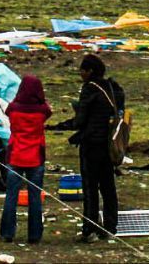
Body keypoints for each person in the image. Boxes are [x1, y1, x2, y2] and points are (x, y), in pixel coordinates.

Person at [54, 53, 125, 242]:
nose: (80, 74)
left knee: (90, 188)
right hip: (109, 146)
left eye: (82, 71)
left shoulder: (90, 89)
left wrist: (63, 125)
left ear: (90, 71)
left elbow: (80, 120)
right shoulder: (112, 87)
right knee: (108, 186)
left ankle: (89, 228)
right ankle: (110, 226)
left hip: (92, 145)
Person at [0, 73, 52, 245]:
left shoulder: (13, 108)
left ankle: (8, 232)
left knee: (11, 196)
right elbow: (48, 111)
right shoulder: (42, 110)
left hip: (16, 155)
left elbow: (8, 111)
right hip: (35, 157)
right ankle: (34, 235)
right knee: (35, 197)